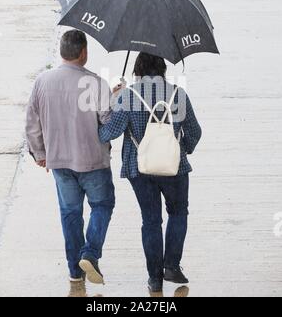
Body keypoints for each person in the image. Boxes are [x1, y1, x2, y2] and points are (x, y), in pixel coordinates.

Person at [99, 52, 202, 293]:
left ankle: (154, 278)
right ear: (163, 70)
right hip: (174, 168)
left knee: (151, 220)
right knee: (178, 212)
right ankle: (172, 266)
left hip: (139, 168)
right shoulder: (178, 94)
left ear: (137, 71)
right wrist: (181, 149)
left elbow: (109, 133)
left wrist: (113, 102)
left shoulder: (128, 96)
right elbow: (195, 132)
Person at [26, 30, 115, 294]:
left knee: (70, 214)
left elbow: (32, 123)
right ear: (83, 52)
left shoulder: (42, 81)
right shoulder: (96, 83)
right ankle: (90, 253)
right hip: (93, 161)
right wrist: (115, 97)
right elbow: (109, 123)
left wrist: (40, 153)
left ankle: (75, 273)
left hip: (60, 160)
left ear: (62, 52)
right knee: (103, 205)